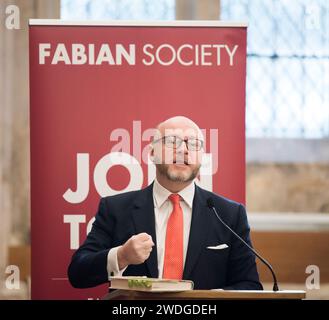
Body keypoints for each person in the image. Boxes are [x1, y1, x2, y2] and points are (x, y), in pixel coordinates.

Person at [68, 116, 262, 290]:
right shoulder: (116, 209)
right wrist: (121, 256)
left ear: (201, 157)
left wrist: (210, 302)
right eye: (172, 141)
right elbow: (78, 273)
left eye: (193, 144)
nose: (183, 149)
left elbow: (250, 285)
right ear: (152, 153)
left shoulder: (229, 214)